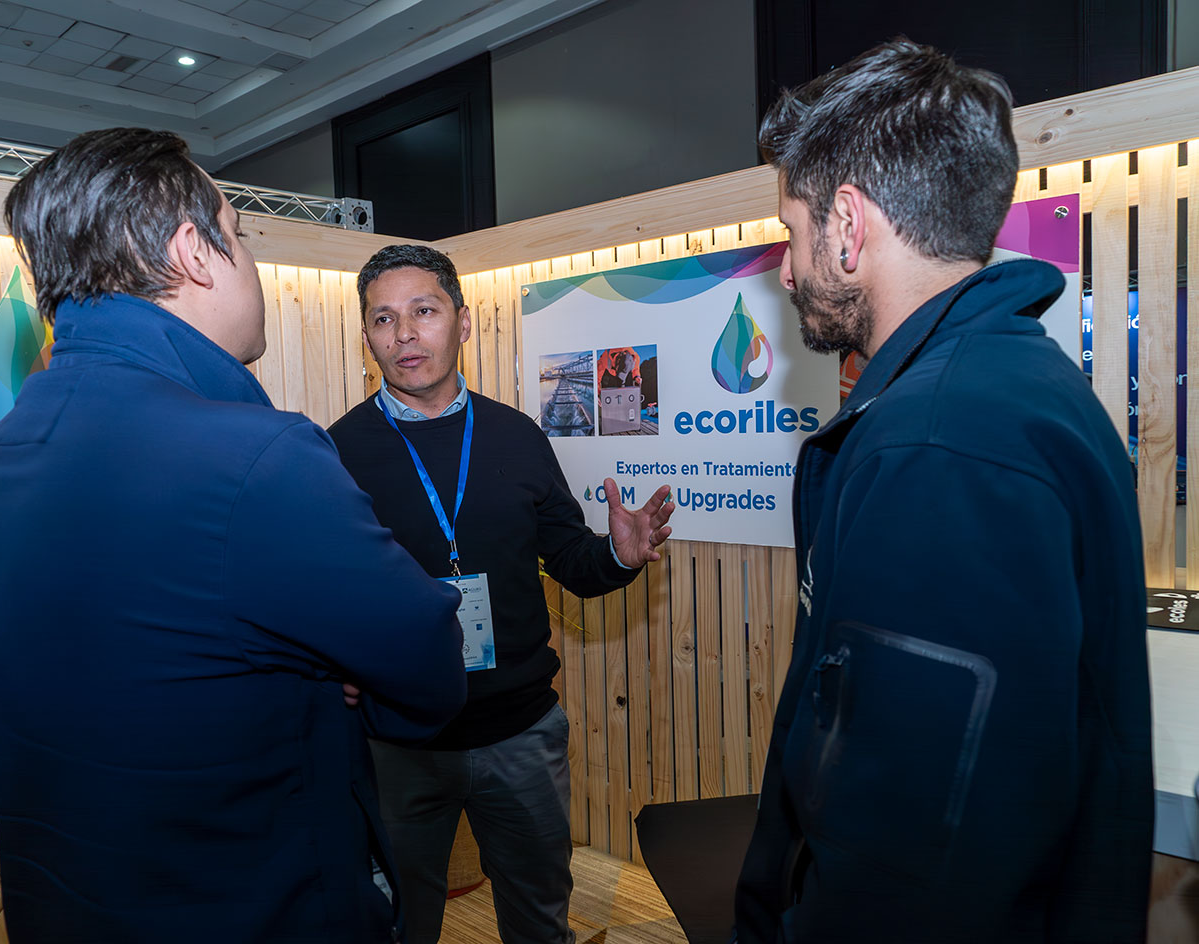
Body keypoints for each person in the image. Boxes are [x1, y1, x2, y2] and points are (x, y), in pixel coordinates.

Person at [0, 129, 467, 943]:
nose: (249, 258)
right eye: (241, 233)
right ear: (194, 252)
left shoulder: (6, 449)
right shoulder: (258, 455)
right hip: (258, 909)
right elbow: (430, 670)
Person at [734, 41, 1153, 943]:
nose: (787, 270)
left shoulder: (937, 444)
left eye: (792, 231)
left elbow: (908, 858)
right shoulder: (1018, 386)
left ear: (847, 226)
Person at [328, 245, 675, 944]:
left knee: (539, 921)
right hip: (396, 742)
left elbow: (573, 561)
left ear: (461, 321)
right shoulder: (337, 451)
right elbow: (322, 592)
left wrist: (618, 553)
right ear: (366, 335)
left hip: (520, 734)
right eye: (384, 319)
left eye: (423, 311)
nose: (404, 334)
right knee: (395, 926)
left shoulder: (516, 436)